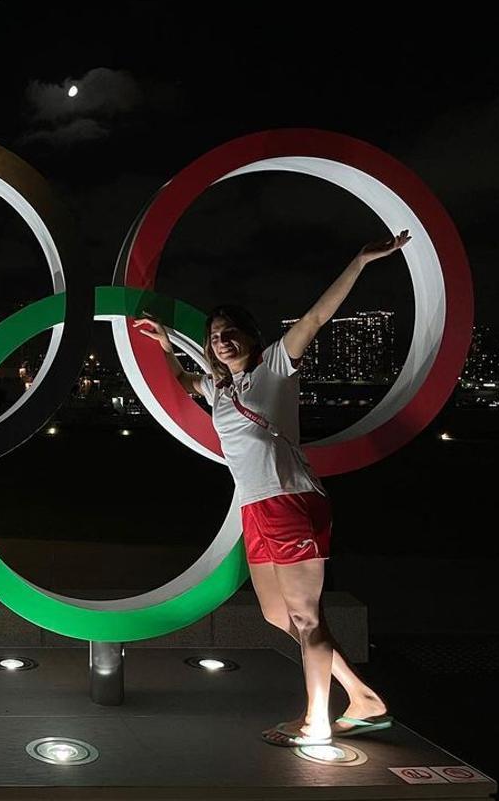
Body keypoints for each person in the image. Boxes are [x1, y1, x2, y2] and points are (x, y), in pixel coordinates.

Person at [134, 230, 410, 748]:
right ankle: (363, 698)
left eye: (232, 330)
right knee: (277, 615)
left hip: (289, 498)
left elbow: (316, 318)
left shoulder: (276, 367)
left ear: (252, 336)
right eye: (216, 334)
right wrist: (169, 345)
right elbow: (180, 379)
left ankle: (316, 723)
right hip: (255, 508)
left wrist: (359, 259)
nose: (222, 338)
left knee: (307, 617)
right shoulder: (219, 388)